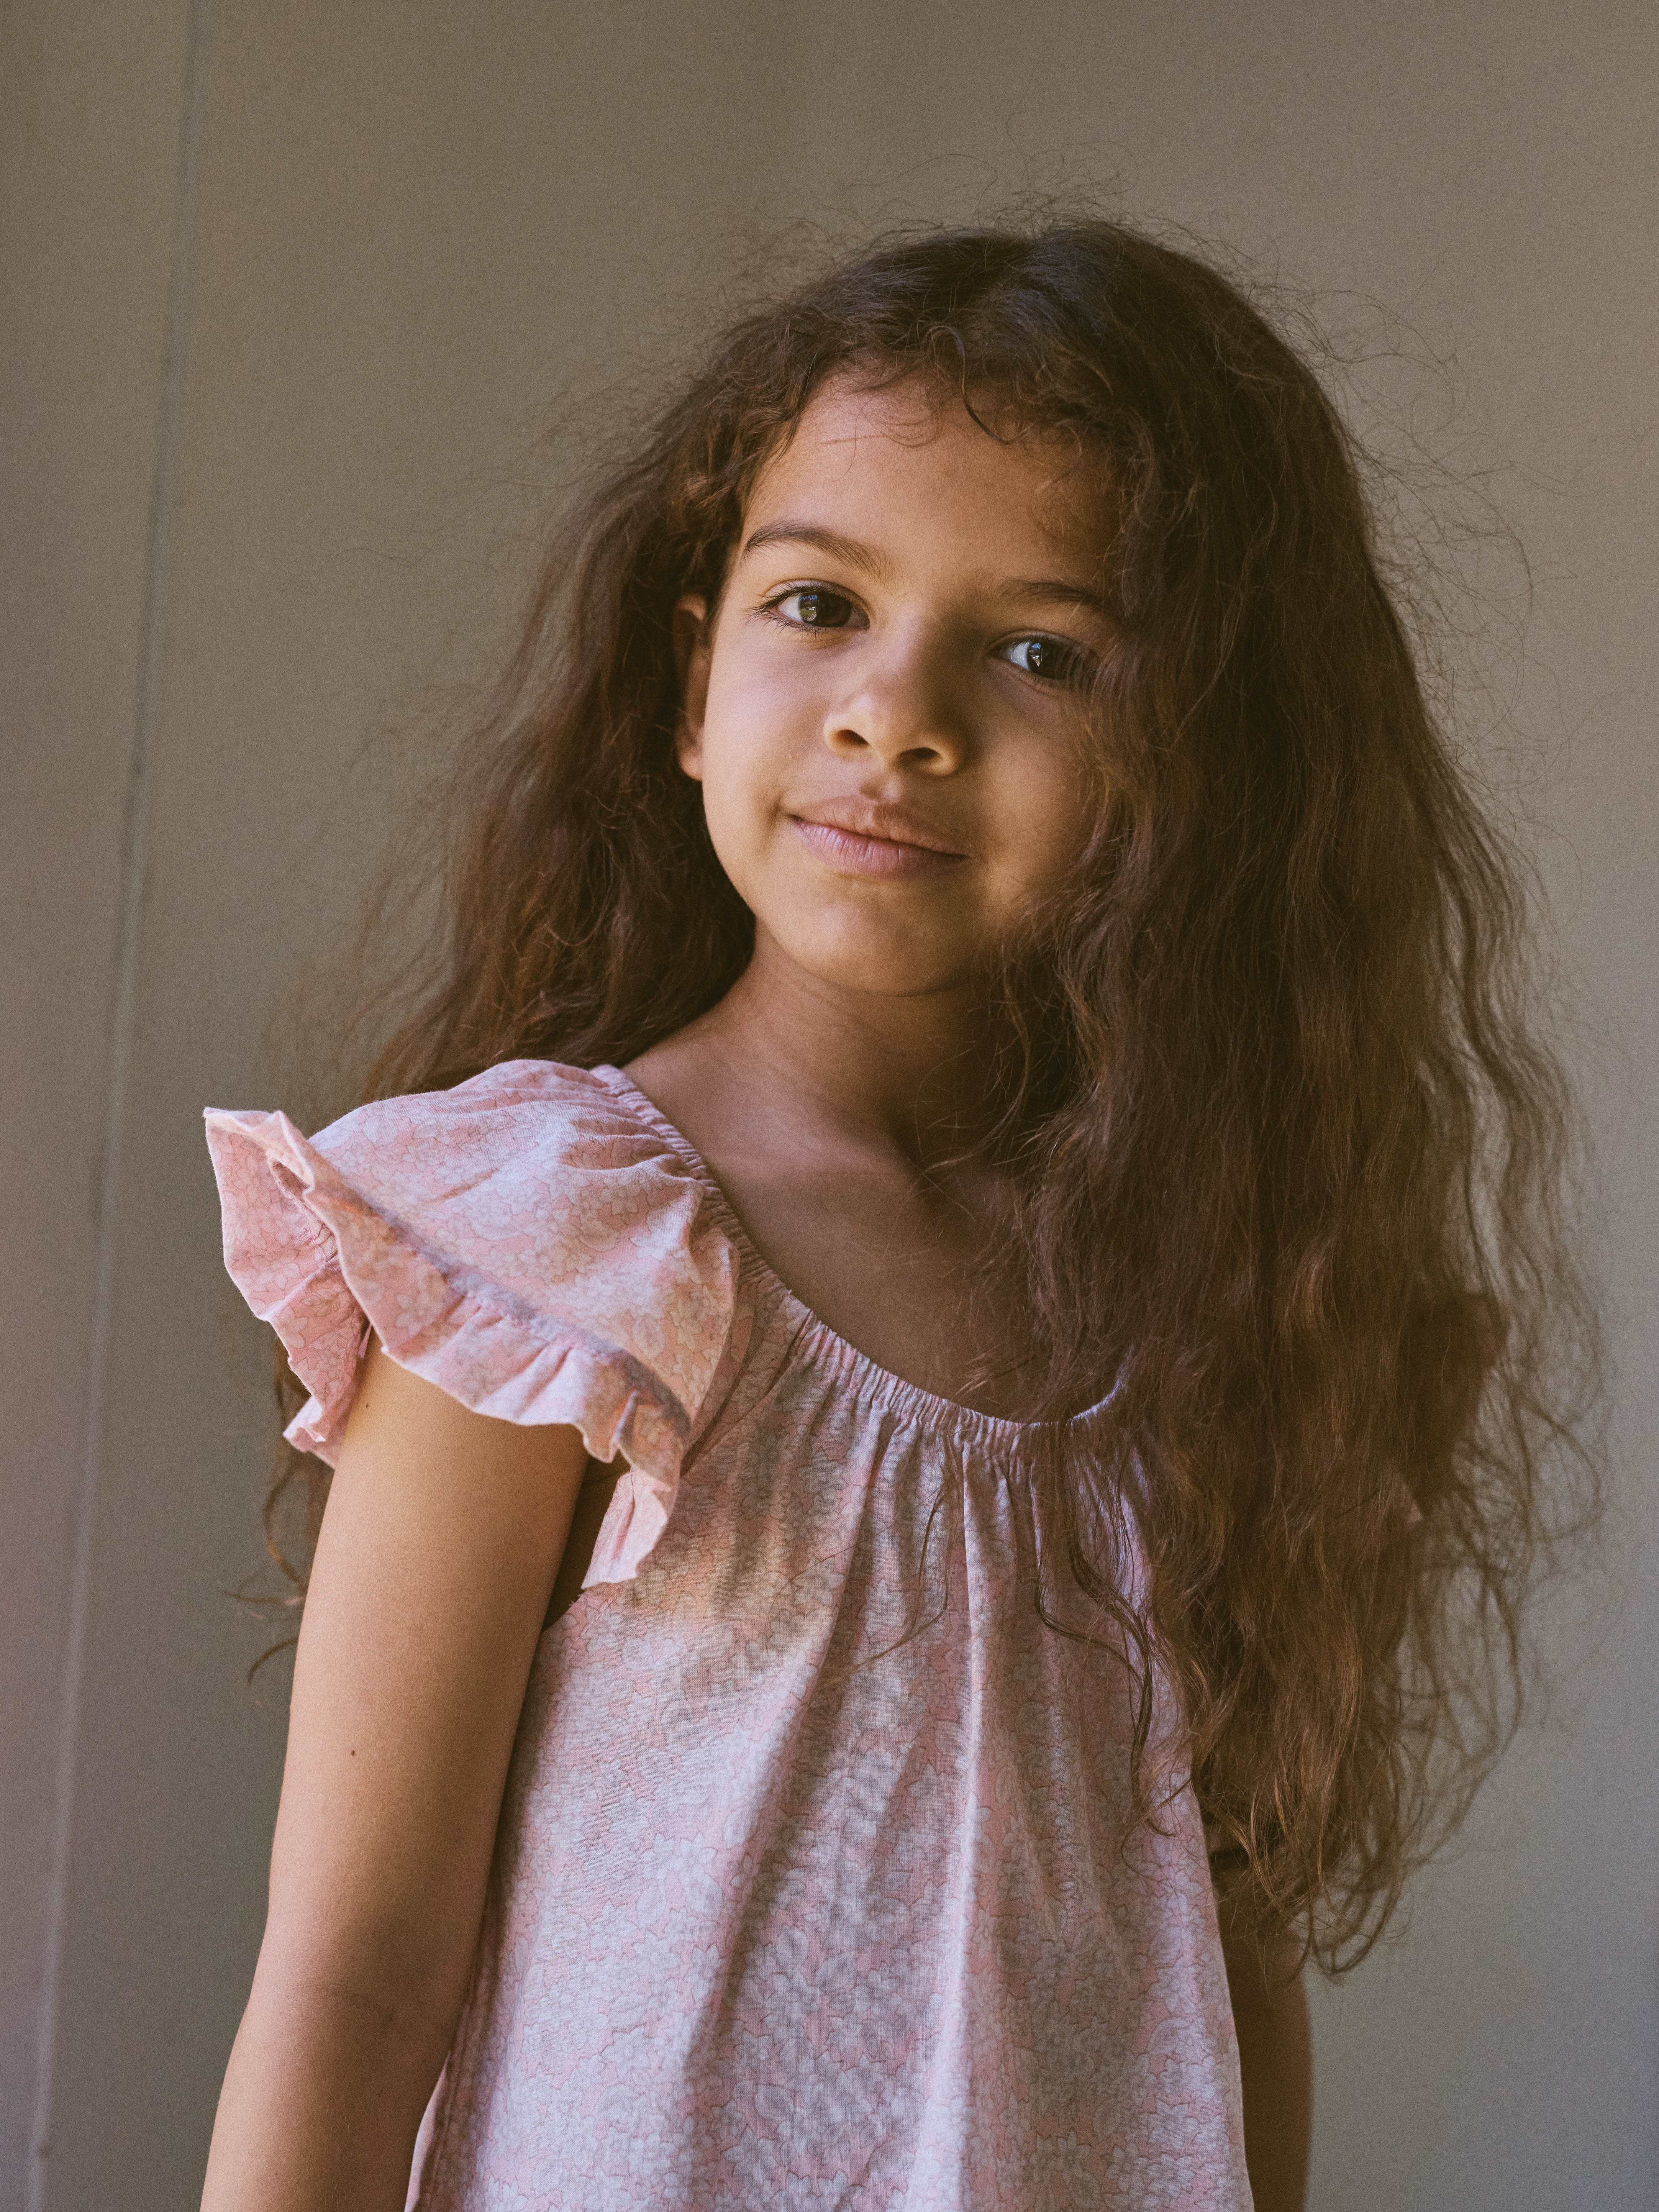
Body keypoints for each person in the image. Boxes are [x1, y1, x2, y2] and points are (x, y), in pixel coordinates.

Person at [197, 222, 1589, 2212]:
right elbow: (354, 1982)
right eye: (820, 604)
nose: (896, 712)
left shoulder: (1228, 1322)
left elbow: (1229, 1971)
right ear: (694, 682)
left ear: (1207, 769)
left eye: (1043, 652)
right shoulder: (552, 1258)